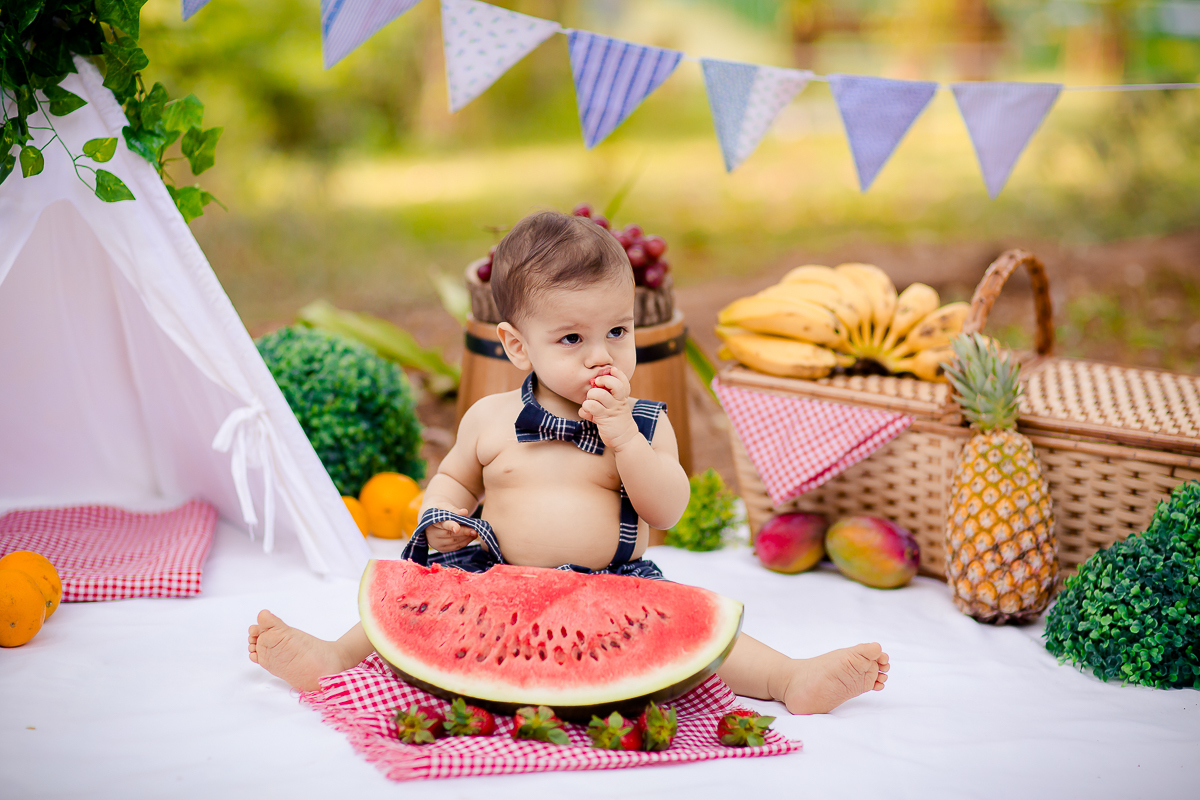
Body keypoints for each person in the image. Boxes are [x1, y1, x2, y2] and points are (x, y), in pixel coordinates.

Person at [249, 210, 889, 714]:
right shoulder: (490, 419)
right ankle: (333, 655)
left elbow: (667, 506)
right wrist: (441, 517)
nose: (601, 355)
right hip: (491, 574)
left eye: (618, 331)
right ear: (516, 346)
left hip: (609, 588)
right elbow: (450, 479)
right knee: (413, 589)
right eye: (572, 339)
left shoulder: (645, 423)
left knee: (693, 621)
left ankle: (787, 678)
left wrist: (626, 442)